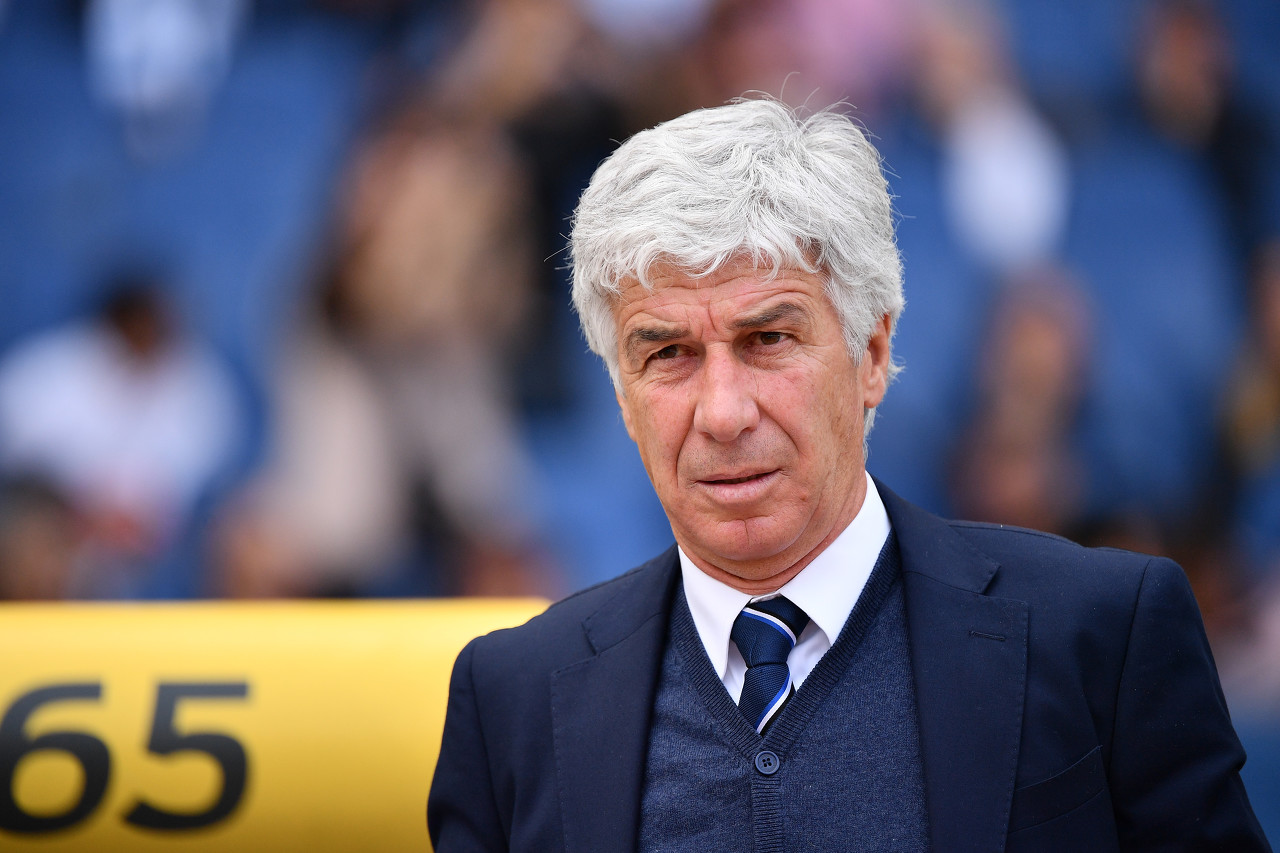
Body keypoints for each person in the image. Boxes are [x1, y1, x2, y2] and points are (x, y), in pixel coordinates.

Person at [427, 99, 1270, 852]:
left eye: (768, 339)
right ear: (622, 396)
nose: (723, 412)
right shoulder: (512, 702)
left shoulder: (1102, 637)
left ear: (872, 353)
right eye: (669, 353)